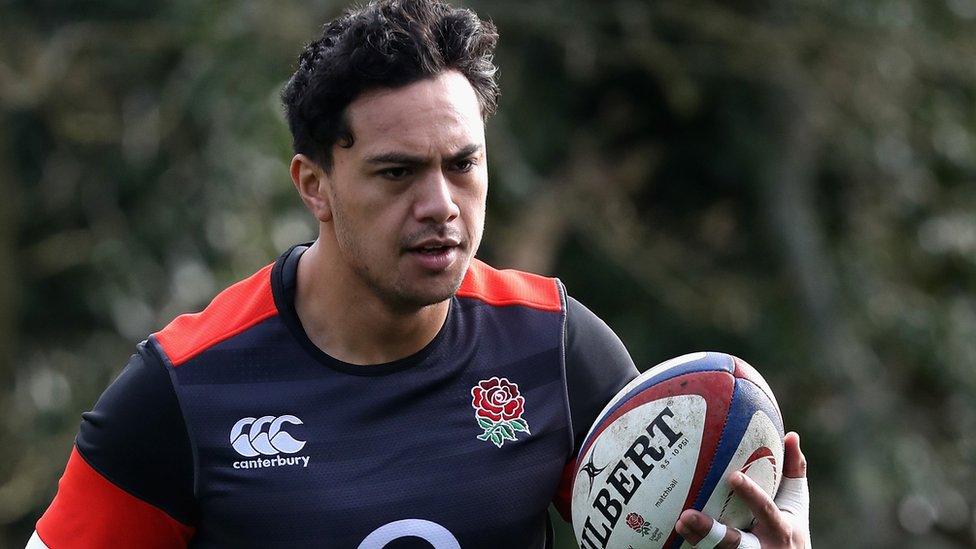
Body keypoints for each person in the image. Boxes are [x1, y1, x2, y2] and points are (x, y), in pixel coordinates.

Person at [28, 1, 810, 547]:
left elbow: (655, 529)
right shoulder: (184, 390)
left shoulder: (554, 346)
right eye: (397, 173)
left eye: (462, 164)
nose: (441, 206)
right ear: (313, 185)